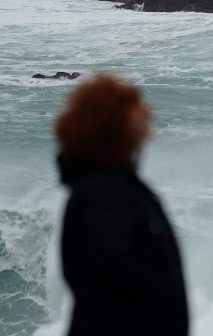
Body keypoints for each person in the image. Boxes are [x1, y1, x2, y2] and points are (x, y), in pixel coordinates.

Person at [55, 74, 189, 336]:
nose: (146, 119)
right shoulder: (103, 194)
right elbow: (114, 274)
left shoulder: (111, 187)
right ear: (111, 126)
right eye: (134, 113)